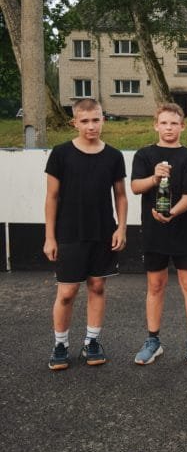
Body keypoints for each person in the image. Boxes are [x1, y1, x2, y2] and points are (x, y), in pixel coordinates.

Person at [44, 98, 127, 370]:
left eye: (96, 120)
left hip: (102, 232)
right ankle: (60, 344)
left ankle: (92, 342)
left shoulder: (114, 156)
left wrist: (121, 227)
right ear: (74, 123)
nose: (91, 126)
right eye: (85, 121)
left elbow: (121, 196)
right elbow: (51, 197)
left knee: (97, 286)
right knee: (67, 292)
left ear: (103, 119)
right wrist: (50, 237)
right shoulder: (60, 154)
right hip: (69, 233)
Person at [130, 103, 187, 365]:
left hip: (183, 231)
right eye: (164, 123)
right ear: (156, 125)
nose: (169, 128)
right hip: (153, 232)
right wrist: (154, 178)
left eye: (174, 123)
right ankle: (153, 341)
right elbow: (135, 187)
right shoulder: (144, 155)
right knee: (155, 285)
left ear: (182, 126)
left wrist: (172, 212)